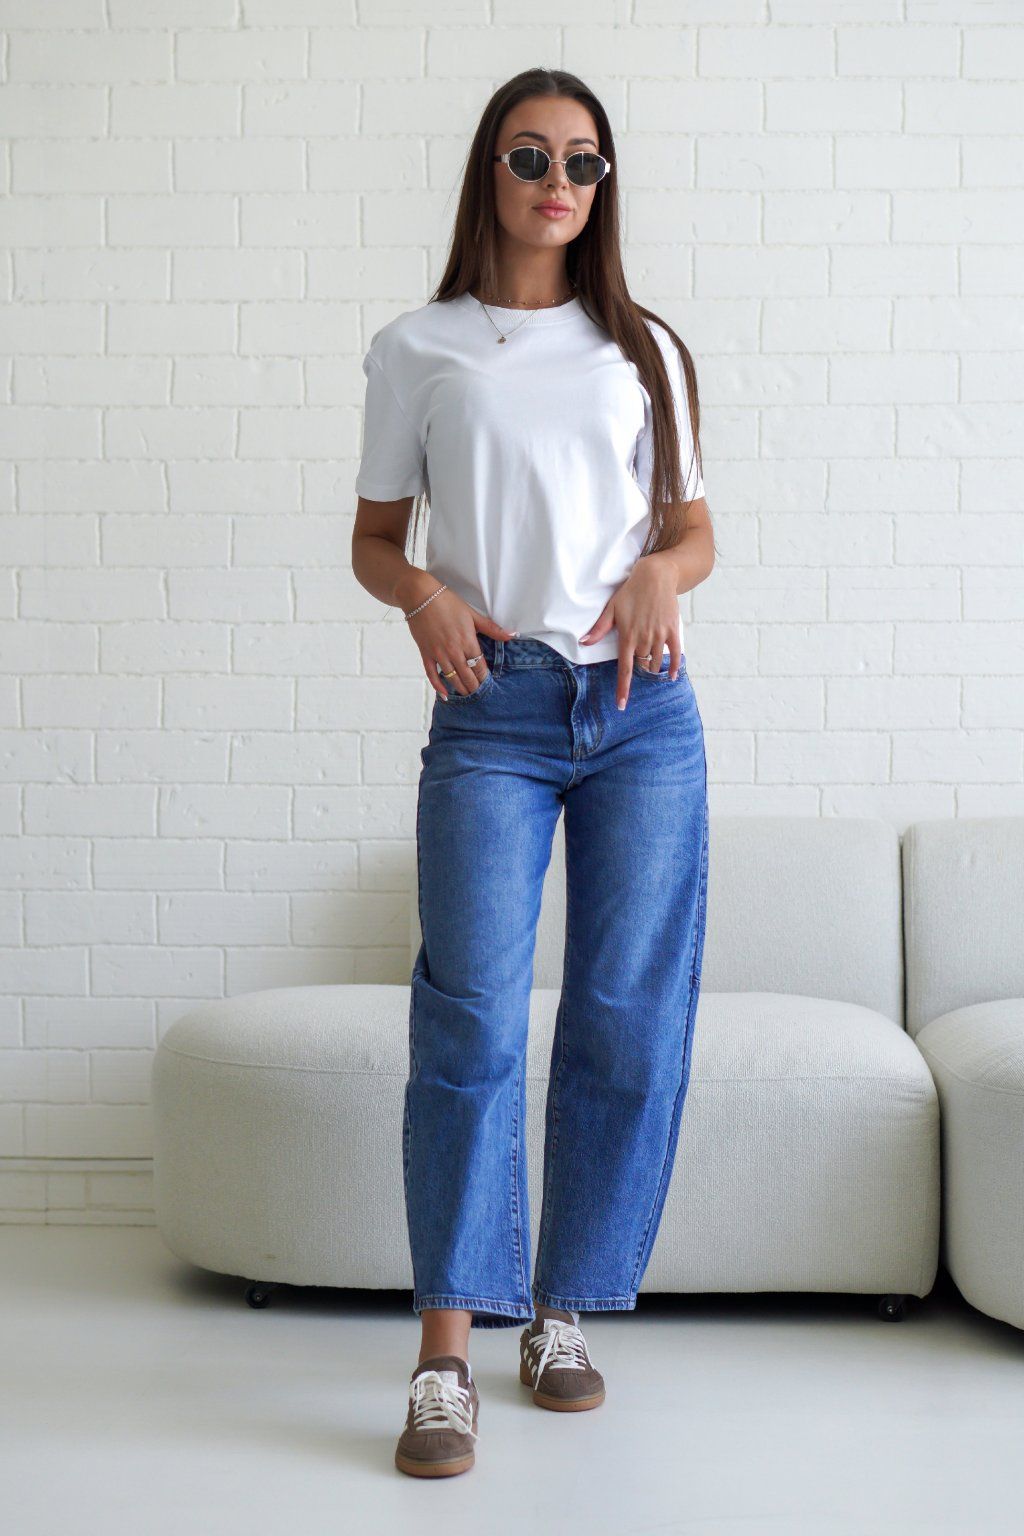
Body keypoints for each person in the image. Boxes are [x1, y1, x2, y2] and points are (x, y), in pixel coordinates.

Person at [351, 66, 714, 1480]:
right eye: (530, 156)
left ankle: (560, 1312)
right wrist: (425, 598)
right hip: (491, 712)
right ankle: (445, 1355)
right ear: (487, 173)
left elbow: (692, 532)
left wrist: (662, 577)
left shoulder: (646, 350)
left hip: (640, 710)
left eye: (583, 161)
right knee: (471, 1020)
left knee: (624, 1018)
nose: (558, 182)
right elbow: (375, 537)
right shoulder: (420, 347)